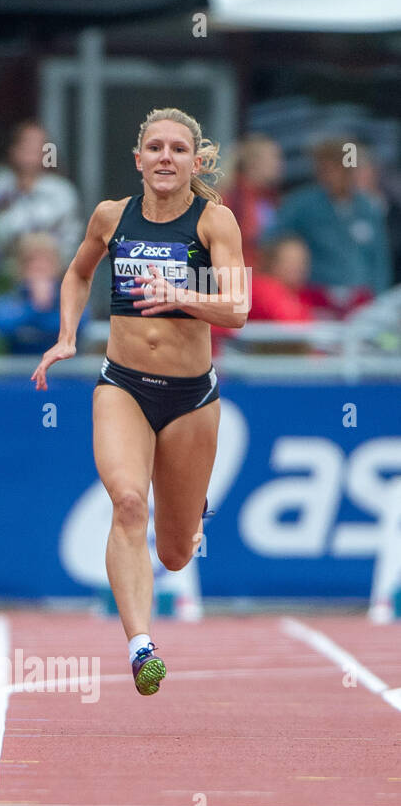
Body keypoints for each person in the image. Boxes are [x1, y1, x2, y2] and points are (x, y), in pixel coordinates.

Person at [31, 107, 247, 697]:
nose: (166, 158)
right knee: (128, 502)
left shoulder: (214, 221)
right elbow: (77, 275)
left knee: (175, 554)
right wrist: (67, 337)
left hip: (190, 399)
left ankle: (189, 508)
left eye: (179, 149)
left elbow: (238, 309)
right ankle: (140, 645)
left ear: (196, 161)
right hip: (122, 385)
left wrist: (180, 293)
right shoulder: (111, 216)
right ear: (138, 158)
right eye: (155, 147)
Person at [270, 137, 391, 317]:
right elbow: (272, 241)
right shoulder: (302, 205)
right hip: (315, 296)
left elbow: (379, 258)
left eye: (344, 171)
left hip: (361, 298)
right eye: (329, 170)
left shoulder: (367, 208)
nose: (337, 176)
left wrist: (379, 299)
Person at [0, 120, 84, 265]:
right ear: (13, 149)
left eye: (39, 145)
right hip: (1, 274)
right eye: (26, 144)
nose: (32, 150)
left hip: (51, 275)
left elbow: (72, 239)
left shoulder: (62, 191)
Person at [0, 231, 76, 354]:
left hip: (63, 371)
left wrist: (45, 307)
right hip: (20, 371)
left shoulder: (71, 300)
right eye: (32, 261)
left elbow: (79, 323)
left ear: (58, 266)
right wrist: (36, 307)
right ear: (21, 267)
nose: (40, 267)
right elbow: (3, 324)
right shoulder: (11, 300)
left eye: (47, 261)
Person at [224, 134, 283, 267]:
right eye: (274, 158)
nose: (279, 164)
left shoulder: (269, 197)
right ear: (254, 163)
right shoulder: (234, 197)